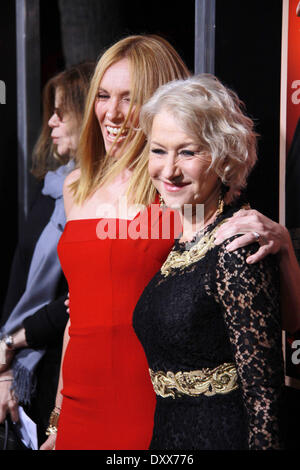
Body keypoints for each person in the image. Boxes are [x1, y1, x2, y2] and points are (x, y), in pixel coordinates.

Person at [41, 35, 298, 451]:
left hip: (154, 404)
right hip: (79, 404)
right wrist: (56, 418)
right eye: (103, 95)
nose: (112, 111)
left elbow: (270, 315)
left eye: (130, 98)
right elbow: (77, 314)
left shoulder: (177, 191)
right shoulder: (77, 186)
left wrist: (282, 242)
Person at [132, 74, 285, 450]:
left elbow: (265, 398)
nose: (168, 171)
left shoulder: (238, 245)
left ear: (223, 157)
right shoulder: (182, 244)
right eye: (158, 150)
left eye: (187, 152)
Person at [0, 62, 94, 447]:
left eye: (61, 112)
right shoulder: (52, 188)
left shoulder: (100, 198)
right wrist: (4, 366)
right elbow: (18, 275)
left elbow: (78, 299)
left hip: (57, 365)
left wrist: (12, 344)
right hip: (18, 362)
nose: (51, 123)